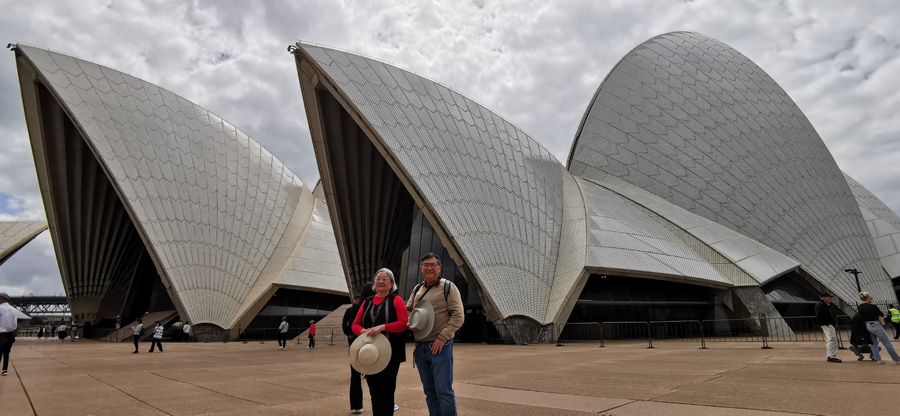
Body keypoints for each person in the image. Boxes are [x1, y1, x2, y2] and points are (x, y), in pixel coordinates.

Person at [406, 253, 464, 416]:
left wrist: (442, 337)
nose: (429, 268)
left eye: (433, 265)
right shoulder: (417, 289)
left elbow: (458, 315)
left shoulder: (448, 287)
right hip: (421, 347)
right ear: (421, 268)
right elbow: (408, 309)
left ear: (440, 268)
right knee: (429, 391)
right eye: (426, 265)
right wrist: (410, 323)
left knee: (443, 391)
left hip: (440, 346)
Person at [352, 268, 408, 415]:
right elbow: (355, 325)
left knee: (387, 393)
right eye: (378, 279)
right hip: (370, 353)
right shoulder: (367, 302)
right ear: (374, 283)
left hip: (390, 354)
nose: (381, 282)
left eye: (385, 279)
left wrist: (383, 327)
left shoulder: (396, 300)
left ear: (391, 284)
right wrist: (363, 331)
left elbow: (403, 323)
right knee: (374, 392)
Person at [343, 290, 367, 414]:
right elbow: (344, 324)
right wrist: (349, 334)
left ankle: (357, 405)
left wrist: (349, 334)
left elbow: (344, 324)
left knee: (355, 371)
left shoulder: (352, 310)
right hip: (365, 340)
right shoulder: (367, 307)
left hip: (355, 340)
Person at [859, 292, 900, 364]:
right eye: (871, 298)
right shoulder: (873, 306)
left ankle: (878, 359)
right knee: (887, 342)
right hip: (875, 324)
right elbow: (881, 314)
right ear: (867, 298)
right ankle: (896, 359)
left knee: (874, 343)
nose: (871, 299)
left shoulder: (859, 307)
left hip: (867, 325)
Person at [0, 293, 18, 376]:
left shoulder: (0, 308)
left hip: (1, 334)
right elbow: (15, 324)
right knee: (6, 353)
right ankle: (5, 369)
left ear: (2, 299)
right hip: (10, 334)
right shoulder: (13, 309)